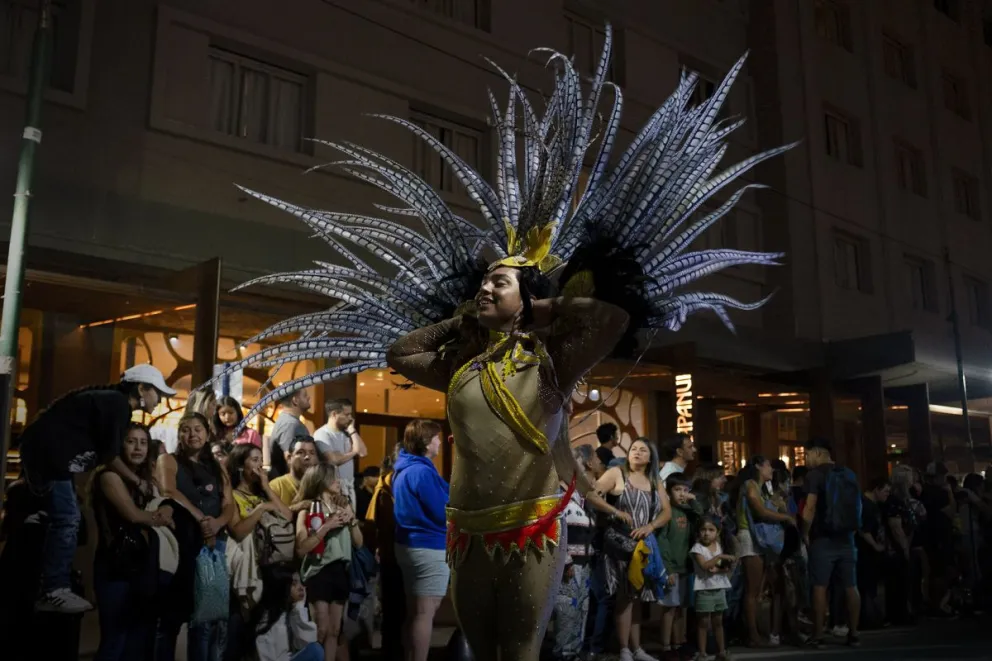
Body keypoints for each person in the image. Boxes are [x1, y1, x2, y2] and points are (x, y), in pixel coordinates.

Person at [214, 26, 791, 661]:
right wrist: (463, 316)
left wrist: (540, 307)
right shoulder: (461, 365)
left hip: (532, 531)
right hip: (467, 536)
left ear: (527, 297)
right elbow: (400, 354)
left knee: (517, 653)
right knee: (479, 649)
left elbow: (607, 321)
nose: (487, 287)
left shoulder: (551, 359)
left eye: (500, 282)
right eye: (485, 280)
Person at [18, 363, 175, 613]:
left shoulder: (111, 402)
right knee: (68, 519)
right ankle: (54, 589)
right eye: (158, 392)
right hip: (50, 460)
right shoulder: (118, 405)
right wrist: (138, 482)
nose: (160, 399)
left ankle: (41, 580)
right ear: (142, 389)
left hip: (47, 458)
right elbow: (109, 455)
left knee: (56, 519)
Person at [91, 422, 176, 661]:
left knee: (140, 640)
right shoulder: (109, 476)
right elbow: (134, 515)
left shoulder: (147, 478)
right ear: (120, 444)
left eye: (143, 442)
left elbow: (165, 501)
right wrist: (161, 519)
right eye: (131, 441)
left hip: (144, 565)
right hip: (116, 567)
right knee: (115, 640)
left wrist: (167, 510)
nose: (138, 448)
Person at [156, 411, 235, 661]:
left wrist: (217, 523)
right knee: (171, 617)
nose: (192, 434)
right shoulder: (168, 460)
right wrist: (200, 518)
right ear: (179, 434)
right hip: (181, 544)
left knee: (206, 618)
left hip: (213, 545)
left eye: (197, 429)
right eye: (186, 429)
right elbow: (168, 490)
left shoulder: (218, 467)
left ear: (207, 433)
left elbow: (229, 504)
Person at [592, 438, 670, 661]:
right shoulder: (617, 473)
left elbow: (666, 512)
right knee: (625, 598)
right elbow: (592, 494)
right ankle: (625, 649)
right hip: (619, 545)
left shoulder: (655, 480)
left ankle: (636, 649)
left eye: (642, 450)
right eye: (634, 448)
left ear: (650, 457)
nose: (636, 452)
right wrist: (614, 512)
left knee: (636, 598)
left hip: (642, 548)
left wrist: (651, 526)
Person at [392, 419, 450, 661]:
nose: (439, 442)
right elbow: (441, 511)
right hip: (427, 545)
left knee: (415, 610)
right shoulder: (423, 472)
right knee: (426, 612)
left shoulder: (404, 469)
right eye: (436, 438)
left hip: (409, 544)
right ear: (427, 442)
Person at [294, 464, 361, 661]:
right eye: (333, 478)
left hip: (340, 570)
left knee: (334, 629)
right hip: (318, 571)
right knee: (321, 628)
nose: (338, 481)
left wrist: (352, 520)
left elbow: (359, 543)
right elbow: (301, 548)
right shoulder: (307, 510)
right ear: (320, 481)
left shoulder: (343, 505)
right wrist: (326, 526)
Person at [802, 439, 862, 649]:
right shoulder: (848, 473)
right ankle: (854, 633)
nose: (805, 458)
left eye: (807, 454)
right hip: (847, 538)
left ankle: (818, 635)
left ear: (818, 453)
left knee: (819, 586)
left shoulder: (815, 475)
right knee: (850, 586)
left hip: (823, 538)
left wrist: (805, 533)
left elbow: (810, 508)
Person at [729, 455, 794, 648]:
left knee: (756, 590)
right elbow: (760, 511)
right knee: (752, 590)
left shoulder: (761, 488)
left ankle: (754, 631)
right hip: (749, 538)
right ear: (758, 466)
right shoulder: (750, 485)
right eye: (768, 466)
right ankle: (752, 634)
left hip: (758, 539)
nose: (771, 470)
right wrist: (785, 517)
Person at [367, 446, 404, 661]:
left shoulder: (386, 483)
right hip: (397, 553)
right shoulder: (391, 484)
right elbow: (380, 522)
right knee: (397, 611)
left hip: (393, 553)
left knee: (395, 611)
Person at [248, 564, 323, 661]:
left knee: (315, 649)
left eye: (299, 583)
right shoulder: (266, 620)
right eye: (294, 584)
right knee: (316, 651)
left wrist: (298, 608)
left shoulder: (288, 612)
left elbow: (304, 643)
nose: (301, 588)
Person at [657, 475, 695, 660]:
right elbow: (662, 541)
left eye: (686, 490)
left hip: (686, 566)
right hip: (672, 567)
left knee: (682, 607)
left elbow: (702, 515)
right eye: (677, 489)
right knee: (669, 608)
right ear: (669, 491)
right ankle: (666, 646)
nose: (682, 494)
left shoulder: (688, 511)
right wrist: (668, 568)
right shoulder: (667, 511)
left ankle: (679, 642)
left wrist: (693, 502)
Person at [690, 516, 733, 661]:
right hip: (704, 589)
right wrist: (720, 556)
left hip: (719, 588)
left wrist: (720, 569)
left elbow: (724, 568)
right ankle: (702, 652)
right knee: (703, 623)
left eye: (711, 530)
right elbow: (704, 566)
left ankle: (721, 651)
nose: (707, 533)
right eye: (703, 530)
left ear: (717, 532)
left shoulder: (719, 546)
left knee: (718, 622)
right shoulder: (697, 548)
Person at [314, 399, 367, 511]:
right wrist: (353, 452)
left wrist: (352, 430)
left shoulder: (347, 433)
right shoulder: (322, 433)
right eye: (347, 414)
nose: (350, 418)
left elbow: (362, 452)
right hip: (334, 490)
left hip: (349, 488)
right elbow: (333, 460)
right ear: (334, 414)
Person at [858, 477, 890, 629]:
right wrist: (876, 546)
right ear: (876, 489)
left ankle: (869, 617)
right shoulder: (868, 506)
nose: (887, 495)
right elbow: (864, 530)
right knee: (867, 587)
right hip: (866, 552)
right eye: (885, 491)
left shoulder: (868, 504)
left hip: (868, 551)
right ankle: (868, 619)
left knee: (869, 586)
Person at [268, 389, 312, 478]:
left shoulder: (290, 422)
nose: (309, 398)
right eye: (305, 395)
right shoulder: (290, 424)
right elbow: (291, 459)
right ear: (295, 400)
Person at [270, 436, 324, 508]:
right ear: (289, 458)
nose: (307, 457)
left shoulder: (323, 484)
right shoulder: (276, 486)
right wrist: (296, 507)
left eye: (312, 453)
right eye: (301, 452)